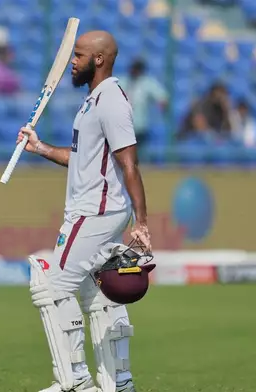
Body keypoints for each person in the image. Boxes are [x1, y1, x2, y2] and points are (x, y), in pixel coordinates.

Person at [16, 31, 151, 392]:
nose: (72, 62)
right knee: (98, 294)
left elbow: (130, 164)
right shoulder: (93, 101)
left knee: (53, 285)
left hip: (95, 211)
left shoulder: (110, 102)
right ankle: (118, 382)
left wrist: (142, 222)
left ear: (99, 59)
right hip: (97, 209)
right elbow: (83, 160)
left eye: (78, 55)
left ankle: (74, 381)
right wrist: (41, 147)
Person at [117, 59, 168, 147]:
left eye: (138, 69)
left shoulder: (147, 83)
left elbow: (162, 97)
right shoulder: (122, 81)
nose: (135, 71)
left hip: (140, 126)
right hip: (123, 125)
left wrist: (162, 105)